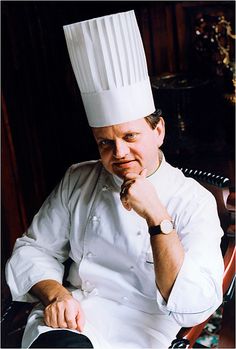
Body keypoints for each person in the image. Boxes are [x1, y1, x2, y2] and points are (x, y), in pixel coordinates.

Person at [6, 10, 224, 349]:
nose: (118, 152)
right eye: (105, 142)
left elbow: (196, 307)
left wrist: (157, 217)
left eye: (131, 136)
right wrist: (56, 294)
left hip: (144, 331)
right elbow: (34, 248)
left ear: (159, 131)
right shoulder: (79, 178)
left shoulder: (193, 200)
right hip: (76, 318)